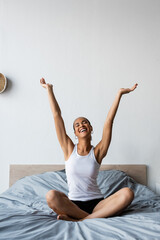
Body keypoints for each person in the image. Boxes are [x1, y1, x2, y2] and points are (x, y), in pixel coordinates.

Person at [40, 78, 137, 222]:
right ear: (75, 133)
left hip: (98, 203)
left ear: (90, 128)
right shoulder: (68, 149)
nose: (81, 125)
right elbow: (57, 116)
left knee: (128, 193)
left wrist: (119, 94)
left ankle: (79, 220)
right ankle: (89, 218)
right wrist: (49, 90)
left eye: (84, 122)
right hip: (73, 205)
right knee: (51, 196)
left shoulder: (97, 152)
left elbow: (108, 122)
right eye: (77, 125)